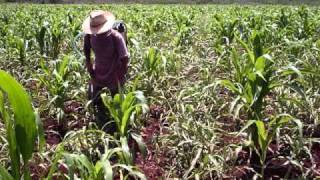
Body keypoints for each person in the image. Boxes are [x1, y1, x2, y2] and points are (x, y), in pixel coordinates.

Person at [82, 10, 129, 133]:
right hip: (98, 71)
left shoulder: (116, 37)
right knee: (94, 99)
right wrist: (89, 65)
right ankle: (99, 121)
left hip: (114, 72)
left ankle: (117, 125)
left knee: (117, 100)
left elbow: (124, 57)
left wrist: (121, 74)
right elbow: (86, 50)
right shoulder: (90, 36)